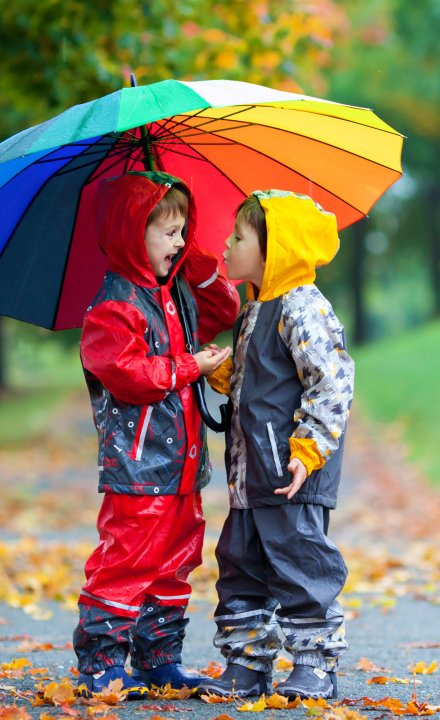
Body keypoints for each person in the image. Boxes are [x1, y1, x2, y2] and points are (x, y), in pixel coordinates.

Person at [73, 171, 238, 697]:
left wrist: (193, 259)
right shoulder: (114, 306)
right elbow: (127, 374)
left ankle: (158, 657)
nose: (179, 241)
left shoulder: (174, 293)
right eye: (169, 233)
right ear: (132, 234)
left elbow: (224, 309)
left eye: (183, 231)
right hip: (139, 465)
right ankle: (102, 662)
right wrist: (189, 366)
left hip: (182, 463)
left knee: (176, 560)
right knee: (128, 559)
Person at [196, 190, 355, 701]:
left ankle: (315, 665)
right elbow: (263, 381)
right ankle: (246, 665)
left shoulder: (303, 306)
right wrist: (223, 371)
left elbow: (330, 383)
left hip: (291, 473)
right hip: (250, 476)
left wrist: (307, 451)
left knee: (301, 565)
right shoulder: (255, 308)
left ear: (275, 250)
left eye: (238, 237)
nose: (227, 244)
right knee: (240, 566)